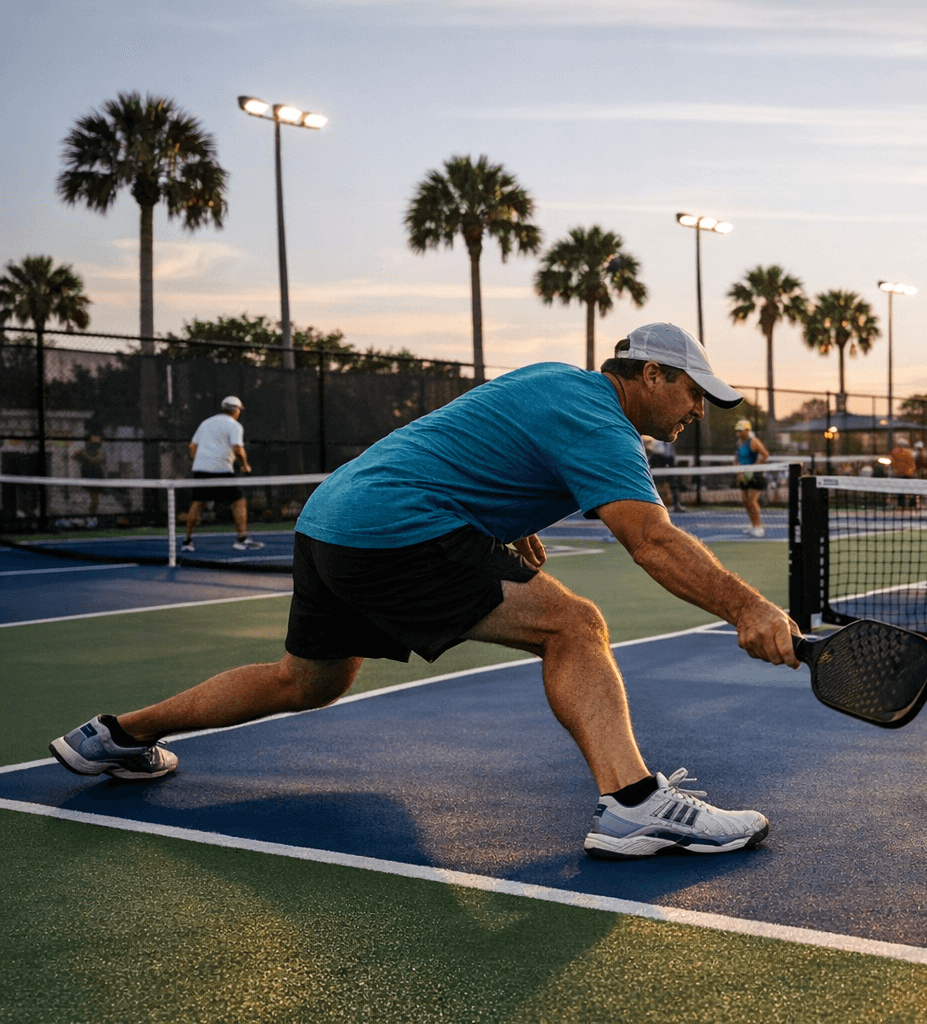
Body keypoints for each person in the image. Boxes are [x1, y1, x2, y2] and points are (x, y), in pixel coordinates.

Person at [49, 323, 800, 860]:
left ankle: (115, 737)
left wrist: (502, 527)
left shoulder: (553, 381)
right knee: (574, 625)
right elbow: (652, 540)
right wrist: (750, 607)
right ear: (651, 375)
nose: (699, 410)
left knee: (307, 681)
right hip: (398, 527)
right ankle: (634, 805)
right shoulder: (602, 422)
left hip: (331, 520)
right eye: (694, 393)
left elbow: (473, 442)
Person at [183, 396, 264, 552]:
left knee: (198, 503)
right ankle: (242, 539)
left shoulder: (206, 423)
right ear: (236, 410)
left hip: (201, 470)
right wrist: (245, 465)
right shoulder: (235, 426)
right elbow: (238, 449)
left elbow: (192, 446)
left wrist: (200, 461)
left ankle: (187, 541)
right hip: (223, 470)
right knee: (238, 501)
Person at [734, 418, 770, 538]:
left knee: (752, 501)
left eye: (741, 430)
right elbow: (736, 458)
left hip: (755, 476)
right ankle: (753, 525)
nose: (738, 433)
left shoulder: (753, 441)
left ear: (747, 430)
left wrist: (753, 467)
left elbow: (765, 455)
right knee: (745, 502)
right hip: (744, 476)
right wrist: (739, 472)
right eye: (737, 430)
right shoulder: (739, 443)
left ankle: (758, 527)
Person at [645, 435, 685, 513]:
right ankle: (654, 506)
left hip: (669, 467)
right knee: (655, 487)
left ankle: (676, 505)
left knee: (674, 485)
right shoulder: (655, 443)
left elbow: (672, 455)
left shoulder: (670, 443)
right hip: (658, 468)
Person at [73, 434, 106, 515]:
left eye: (97, 444)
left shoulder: (98, 453)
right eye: (93, 443)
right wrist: (82, 455)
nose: (95, 446)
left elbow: (97, 459)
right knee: (93, 496)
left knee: (95, 497)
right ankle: (92, 512)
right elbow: (74, 456)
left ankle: (92, 512)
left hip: (97, 475)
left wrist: (85, 456)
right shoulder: (83, 451)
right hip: (88, 474)